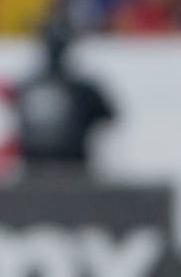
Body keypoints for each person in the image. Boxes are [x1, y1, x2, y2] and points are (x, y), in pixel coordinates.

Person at [11, 19, 116, 178]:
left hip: (34, 175)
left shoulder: (26, 87)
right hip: (73, 174)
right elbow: (109, 116)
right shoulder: (83, 90)